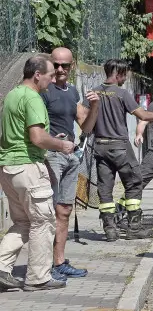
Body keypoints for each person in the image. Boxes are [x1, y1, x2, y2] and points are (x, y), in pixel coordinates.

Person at [0, 55, 74, 292]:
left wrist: (53, 140)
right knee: (43, 222)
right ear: (37, 75)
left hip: (9, 168)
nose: (53, 80)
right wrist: (61, 145)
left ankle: (1, 267)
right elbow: (37, 138)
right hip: (29, 167)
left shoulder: (13, 95)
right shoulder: (33, 98)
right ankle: (39, 277)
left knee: (22, 222)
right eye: (51, 75)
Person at [90, 59, 153, 241]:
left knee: (105, 188)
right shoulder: (121, 93)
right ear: (118, 73)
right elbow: (142, 115)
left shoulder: (93, 92)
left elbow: (83, 115)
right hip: (119, 145)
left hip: (100, 146)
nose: (126, 78)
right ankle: (134, 228)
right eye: (124, 74)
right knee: (134, 181)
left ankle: (109, 230)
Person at [42, 47, 99, 280]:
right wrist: (53, 142)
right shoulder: (43, 90)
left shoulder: (72, 91)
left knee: (64, 210)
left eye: (64, 66)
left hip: (71, 156)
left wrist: (95, 106)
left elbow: (86, 127)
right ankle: (43, 266)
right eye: (56, 65)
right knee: (47, 212)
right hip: (51, 155)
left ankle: (60, 262)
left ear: (72, 66)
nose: (59, 70)